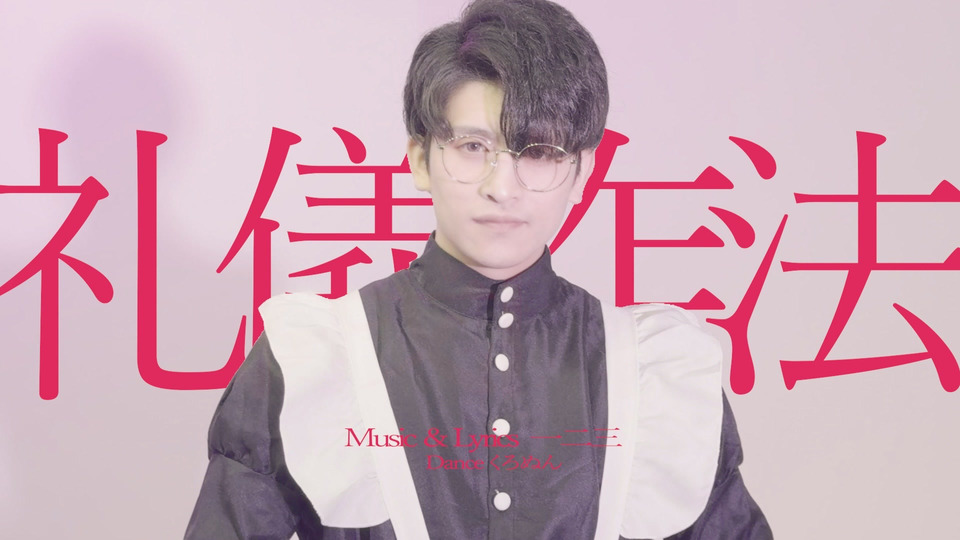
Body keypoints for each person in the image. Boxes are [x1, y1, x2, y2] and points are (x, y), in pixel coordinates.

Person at [185, 0, 773, 538]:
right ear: (420, 158)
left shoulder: (651, 369)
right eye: (473, 147)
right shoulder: (317, 353)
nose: (502, 187)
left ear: (583, 172)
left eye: (539, 153)